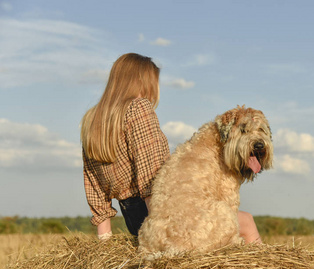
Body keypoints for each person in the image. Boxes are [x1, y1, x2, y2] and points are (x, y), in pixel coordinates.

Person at [80, 53, 261, 244]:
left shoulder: (92, 120)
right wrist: (161, 226)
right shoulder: (138, 108)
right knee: (246, 222)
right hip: (159, 211)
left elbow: (94, 184)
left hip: (134, 219)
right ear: (142, 81)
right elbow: (151, 173)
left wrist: (105, 240)